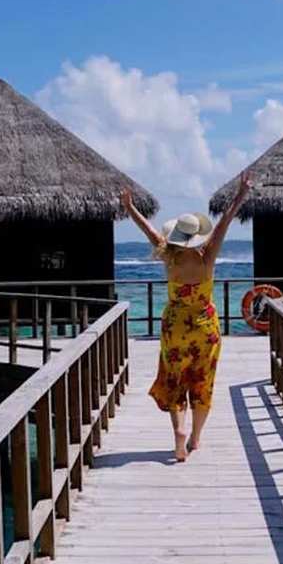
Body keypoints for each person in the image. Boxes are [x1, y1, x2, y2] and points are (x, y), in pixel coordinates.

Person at [120, 171, 253, 461]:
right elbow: (224, 224)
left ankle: (179, 431)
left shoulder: (169, 256)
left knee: (175, 378)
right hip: (205, 328)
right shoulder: (208, 257)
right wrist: (240, 196)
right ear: (198, 236)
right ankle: (195, 439)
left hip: (175, 327)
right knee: (203, 380)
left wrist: (130, 208)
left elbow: (148, 231)